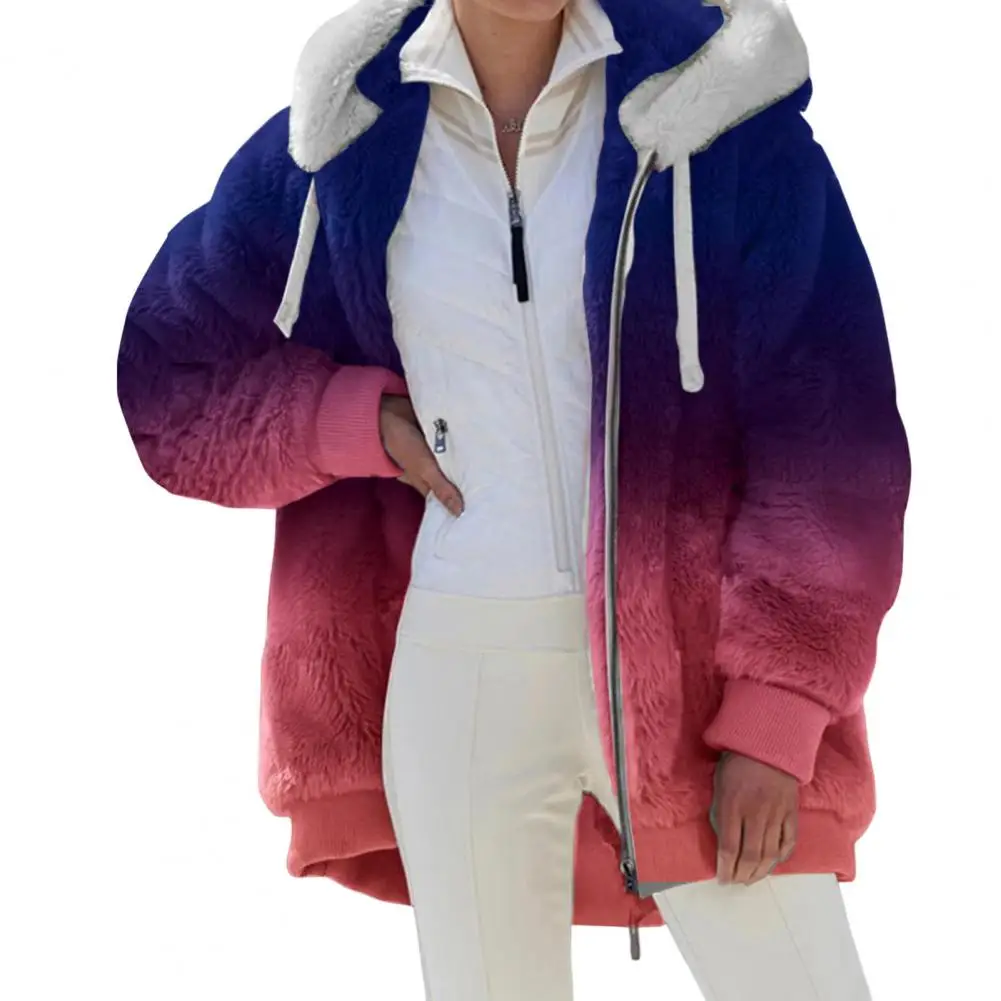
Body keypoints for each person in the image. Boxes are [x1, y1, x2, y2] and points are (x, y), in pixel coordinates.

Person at [117, 0, 910, 997]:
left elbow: (832, 436)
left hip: (693, 675)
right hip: (461, 671)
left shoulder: (719, 115)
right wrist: (353, 420)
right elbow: (169, 378)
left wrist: (776, 711)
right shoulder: (342, 138)